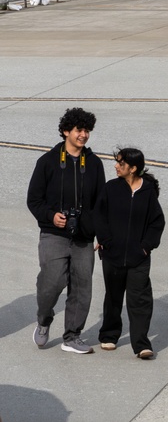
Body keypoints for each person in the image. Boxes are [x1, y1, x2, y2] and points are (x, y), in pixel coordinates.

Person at [27, 108, 107, 354]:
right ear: (65, 131)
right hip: (54, 234)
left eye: (87, 130)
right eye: (78, 130)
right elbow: (34, 200)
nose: (83, 135)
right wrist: (51, 216)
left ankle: (72, 336)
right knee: (51, 283)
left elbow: (101, 203)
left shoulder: (94, 163)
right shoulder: (47, 162)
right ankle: (44, 320)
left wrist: (102, 235)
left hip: (84, 236)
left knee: (82, 287)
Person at [93, 147, 165, 359]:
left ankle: (141, 344)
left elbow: (157, 222)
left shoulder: (148, 192)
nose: (116, 166)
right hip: (112, 255)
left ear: (133, 168)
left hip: (139, 257)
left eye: (121, 163)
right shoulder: (110, 188)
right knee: (113, 297)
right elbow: (99, 216)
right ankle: (109, 335)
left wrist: (145, 247)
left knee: (140, 299)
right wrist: (106, 241)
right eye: (117, 162)